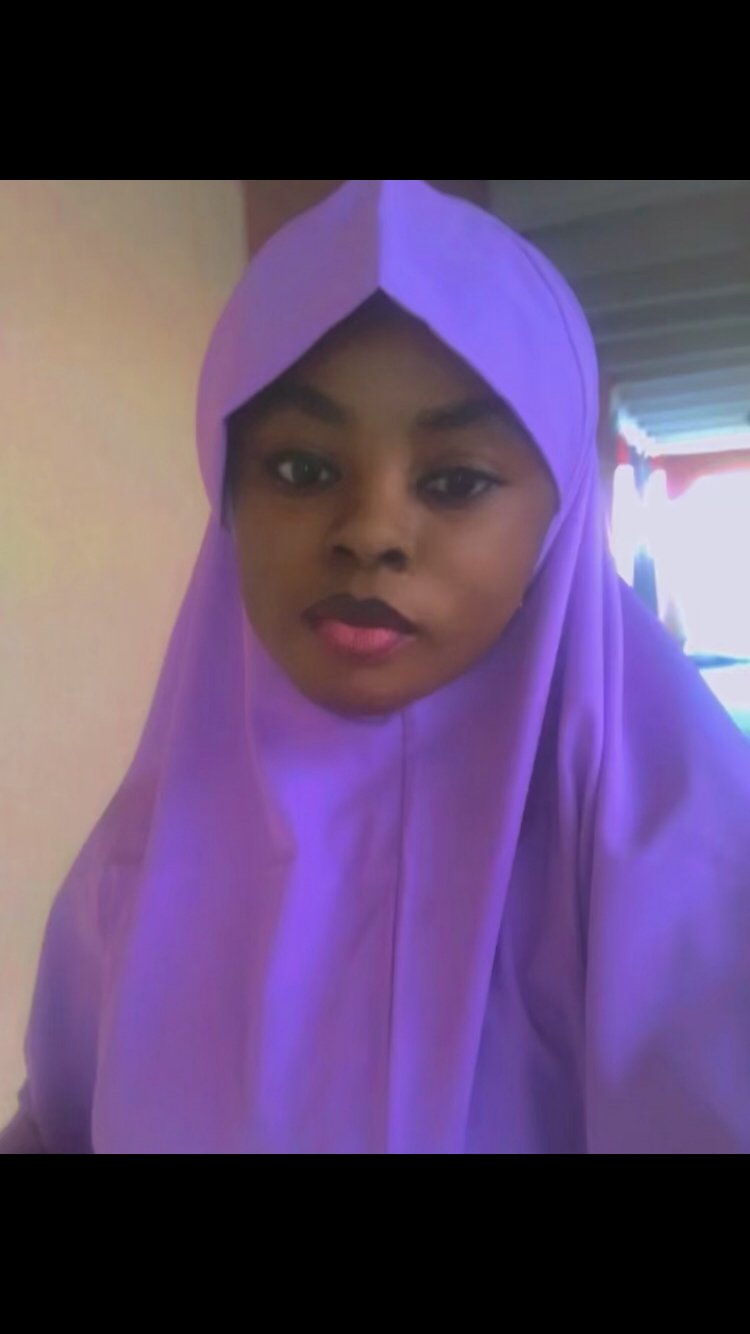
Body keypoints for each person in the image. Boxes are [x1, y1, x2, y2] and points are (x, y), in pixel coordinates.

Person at [3, 179, 749, 1155]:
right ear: (229, 494)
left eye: (455, 479)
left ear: (560, 511)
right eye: (302, 468)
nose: (371, 532)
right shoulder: (135, 862)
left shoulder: (689, 865)